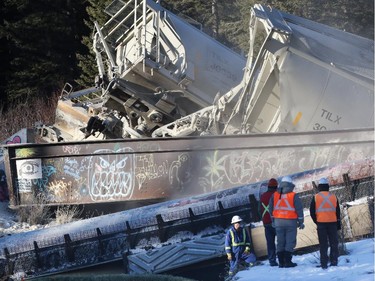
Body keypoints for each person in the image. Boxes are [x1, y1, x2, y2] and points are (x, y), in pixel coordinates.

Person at [269, 176, 304, 268]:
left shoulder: (274, 195)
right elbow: (299, 209)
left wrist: (273, 220)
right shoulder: (293, 195)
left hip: (278, 222)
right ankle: (288, 261)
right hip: (291, 222)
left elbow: (271, 208)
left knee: (280, 241)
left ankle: (281, 262)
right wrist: (301, 222)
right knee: (290, 241)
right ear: (290, 184)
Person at [309, 177, 341, 269]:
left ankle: (324, 263)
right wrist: (338, 224)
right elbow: (338, 212)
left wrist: (317, 221)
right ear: (328, 186)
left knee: (323, 244)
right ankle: (334, 262)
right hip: (333, 223)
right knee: (334, 243)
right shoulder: (333, 196)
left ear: (319, 187)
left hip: (321, 224)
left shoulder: (315, 197)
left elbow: (312, 212)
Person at [259, 178, 278, 266]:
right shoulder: (277, 195)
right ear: (276, 186)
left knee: (270, 243)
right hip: (277, 222)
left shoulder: (262, 196)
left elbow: (259, 210)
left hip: (267, 223)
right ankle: (284, 258)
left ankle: (272, 260)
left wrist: (263, 220)